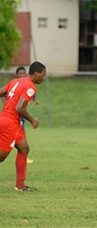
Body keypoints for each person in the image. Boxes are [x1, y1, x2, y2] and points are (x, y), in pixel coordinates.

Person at [0, 61, 47, 191]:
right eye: (43, 75)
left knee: (24, 148)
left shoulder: (16, 81)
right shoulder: (31, 87)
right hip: (10, 123)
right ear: (36, 74)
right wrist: (33, 120)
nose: (44, 78)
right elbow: (19, 108)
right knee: (1, 157)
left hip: (7, 120)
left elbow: (1, 92)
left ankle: (20, 185)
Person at [15, 66, 40, 164]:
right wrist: (33, 120)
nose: (22, 75)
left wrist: (35, 101)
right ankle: (23, 156)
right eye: (20, 73)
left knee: (23, 145)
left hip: (21, 116)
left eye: (23, 73)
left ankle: (24, 157)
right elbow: (4, 94)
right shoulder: (16, 83)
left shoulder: (28, 86)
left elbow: (32, 94)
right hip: (13, 117)